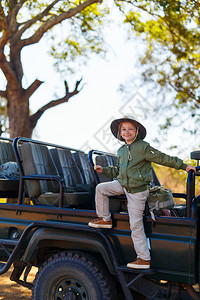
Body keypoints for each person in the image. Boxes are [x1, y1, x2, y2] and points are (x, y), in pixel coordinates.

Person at [88, 116, 196, 270]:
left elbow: (162, 158)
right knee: (101, 189)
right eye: (123, 129)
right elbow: (118, 171)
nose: (127, 132)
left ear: (137, 131)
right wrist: (104, 170)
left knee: (135, 223)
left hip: (137, 191)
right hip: (123, 184)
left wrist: (183, 166)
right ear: (119, 133)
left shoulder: (143, 147)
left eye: (130, 129)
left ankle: (144, 258)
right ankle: (105, 219)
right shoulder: (121, 150)